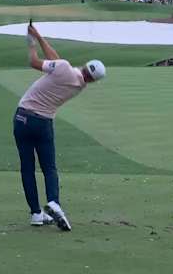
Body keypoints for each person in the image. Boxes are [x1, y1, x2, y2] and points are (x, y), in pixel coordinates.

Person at [14, 22, 106, 231]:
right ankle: (54, 202)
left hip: (21, 118)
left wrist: (30, 42)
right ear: (93, 81)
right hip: (43, 123)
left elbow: (35, 62)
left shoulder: (64, 68)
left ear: (85, 64)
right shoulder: (78, 85)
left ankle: (36, 214)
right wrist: (38, 35)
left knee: (27, 168)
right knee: (49, 167)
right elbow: (57, 60)